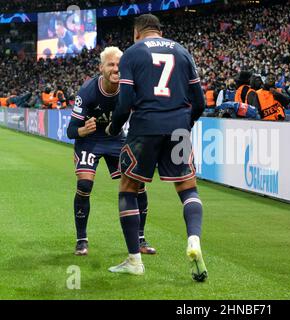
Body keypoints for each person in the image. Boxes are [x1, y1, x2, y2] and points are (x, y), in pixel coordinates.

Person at [105, 14, 207, 280]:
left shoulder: (132, 53)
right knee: (188, 188)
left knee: (128, 188)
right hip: (179, 127)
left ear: (137, 32)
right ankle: (194, 240)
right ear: (160, 31)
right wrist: (186, 122)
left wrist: (114, 128)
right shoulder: (183, 52)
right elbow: (199, 102)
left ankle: (134, 261)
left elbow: (125, 101)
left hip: (145, 127)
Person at [66, 47, 156, 257]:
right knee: (84, 184)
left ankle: (140, 239)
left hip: (116, 139)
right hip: (90, 140)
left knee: (138, 185)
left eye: (119, 65)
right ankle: (81, 240)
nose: (116, 69)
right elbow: (71, 131)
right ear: (101, 68)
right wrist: (82, 130)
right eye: (111, 64)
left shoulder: (129, 89)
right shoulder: (87, 91)